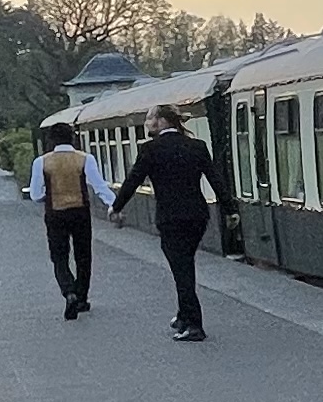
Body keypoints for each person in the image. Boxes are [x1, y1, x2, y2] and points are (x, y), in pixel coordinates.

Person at [105, 104, 221, 340]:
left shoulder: (150, 149)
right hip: (198, 216)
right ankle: (183, 315)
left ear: (162, 121)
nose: (147, 123)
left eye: (150, 118)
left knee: (181, 268)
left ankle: (194, 325)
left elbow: (133, 181)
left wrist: (116, 207)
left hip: (171, 218)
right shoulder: (197, 146)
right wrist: (230, 210)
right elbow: (215, 180)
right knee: (184, 263)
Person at [21, 118, 111, 317]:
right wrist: (114, 205)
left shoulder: (42, 162)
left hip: (55, 213)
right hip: (80, 212)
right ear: (72, 138)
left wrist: (49, 195)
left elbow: (35, 194)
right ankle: (82, 298)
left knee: (59, 256)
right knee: (83, 256)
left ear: (51, 140)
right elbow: (99, 186)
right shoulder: (84, 159)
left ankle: (69, 291)